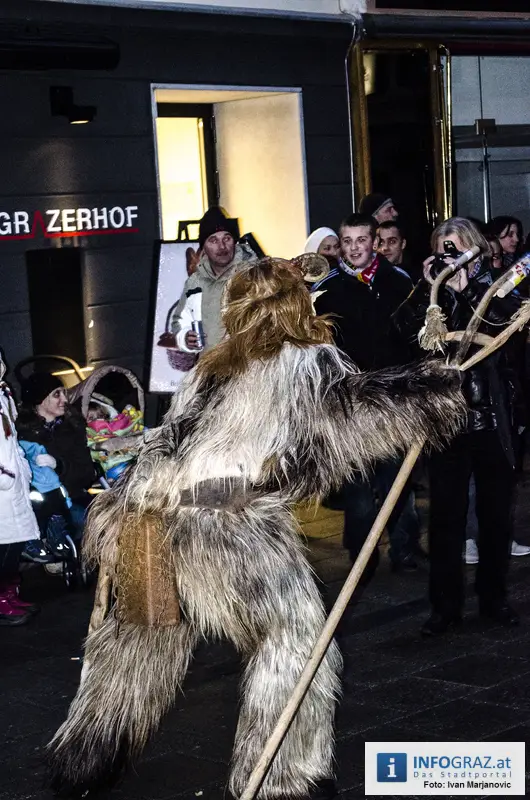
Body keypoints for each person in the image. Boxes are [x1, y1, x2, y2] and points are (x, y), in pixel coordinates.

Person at [48, 256, 464, 799]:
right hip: (230, 528)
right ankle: (283, 778)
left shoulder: (209, 368)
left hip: (150, 519)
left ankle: (88, 754)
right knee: (293, 637)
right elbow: (349, 415)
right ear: (299, 304)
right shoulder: (305, 362)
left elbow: (175, 436)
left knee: (139, 636)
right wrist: (430, 392)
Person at [396, 217, 525, 636]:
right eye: (443, 249)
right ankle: (445, 607)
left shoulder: (495, 286)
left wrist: (468, 289)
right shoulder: (433, 294)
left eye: (456, 249)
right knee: (446, 520)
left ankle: (493, 598)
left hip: (491, 421)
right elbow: (404, 335)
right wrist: (429, 290)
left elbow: (507, 332)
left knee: (495, 517)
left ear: (473, 249)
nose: (450, 258)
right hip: (448, 422)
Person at [312, 214, 420, 576]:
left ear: (375, 242)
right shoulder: (327, 290)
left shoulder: (398, 281)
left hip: (394, 399)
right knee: (358, 488)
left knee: (397, 481)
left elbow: (414, 337)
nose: (354, 247)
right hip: (351, 403)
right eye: (347, 241)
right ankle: (361, 557)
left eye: (362, 240)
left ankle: (405, 549)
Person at [166, 206, 257, 355]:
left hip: (249, 364)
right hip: (210, 365)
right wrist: (184, 337)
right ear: (203, 247)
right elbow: (179, 320)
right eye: (213, 240)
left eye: (226, 238)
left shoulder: (255, 275)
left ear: (234, 241)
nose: (222, 246)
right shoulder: (194, 283)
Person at [17, 373, 96, 542]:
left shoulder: (72, 427)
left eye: (64, 393)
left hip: (71, 497)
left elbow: (87, 473)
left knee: (92, 520)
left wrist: (60, 465)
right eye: (56, 394)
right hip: (36, 503)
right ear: (40, 399)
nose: (64, 400)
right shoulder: (21, 434)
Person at [0, 351, 40, 625]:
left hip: (12, 484)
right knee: (2, 547)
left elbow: (9, 440)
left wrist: (22, 468)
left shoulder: (3, 395)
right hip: (3, 487)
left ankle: (8, 594)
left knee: (12, 546)